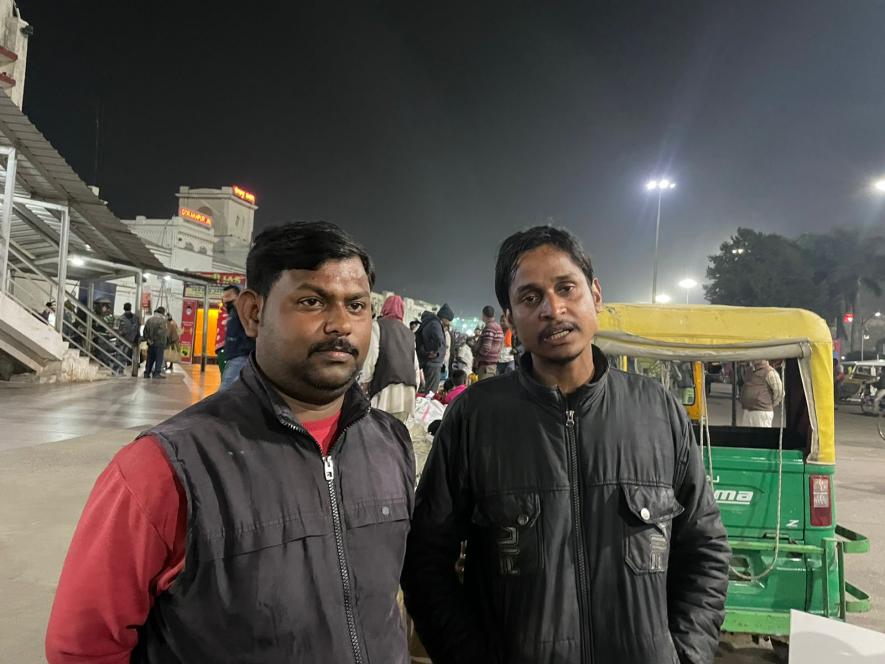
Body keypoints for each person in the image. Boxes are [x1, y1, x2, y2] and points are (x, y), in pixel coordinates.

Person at [45, 221, 415, 663]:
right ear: (253, 313)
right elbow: (85, 647)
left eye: (356, 306)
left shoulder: (389, 443)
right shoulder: (164, 466)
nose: (340, 324)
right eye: (312, 301)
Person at [402, 225, 730, 664]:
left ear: (595, 295)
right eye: (530, 297)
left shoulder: (657, 412)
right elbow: (425, 558)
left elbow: (704, 548)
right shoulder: (476, 419)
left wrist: (687, 654)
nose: (553, 309)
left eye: (566, 288)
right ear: (510, 319)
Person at [361, 294, 420, 421]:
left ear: (385, 308)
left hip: (385, 388)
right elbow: (415, 363)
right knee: (397, 431)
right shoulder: (409, 333)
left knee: (380, 428)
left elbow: (371, 357)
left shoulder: (377, 326)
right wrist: (415, 387)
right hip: (407, 391)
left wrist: (365, 381)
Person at [219, 284, 255, 390]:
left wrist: (245, 347)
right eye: (224, 296)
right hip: (234, 355)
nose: (226, 299)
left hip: (241, 355)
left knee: (225, 390)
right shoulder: (232, 312)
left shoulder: (242, 311)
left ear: (238, 296)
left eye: (229, 295)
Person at [416, 304, 454, 394]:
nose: (449, 323)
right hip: (433, 362)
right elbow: (439, 339)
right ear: (444, 317)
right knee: (431, 392)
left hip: (430, 361)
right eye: (448, 320)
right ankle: (428, 407)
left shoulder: (431, 322)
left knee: (429, 389)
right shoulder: (435, 323)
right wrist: (436, 352)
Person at [740, 359, 784, 427]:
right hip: (747, 411)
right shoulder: (750, 371)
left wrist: (769, 404)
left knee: (761, 435)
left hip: (762, 412)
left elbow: (780, 392)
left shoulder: (770, 372)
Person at [473, 304, 504, 380]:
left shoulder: (489, 327)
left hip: (485, 366)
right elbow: (500, 346)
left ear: (483, 315)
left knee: (483, 389)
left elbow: (486, 347)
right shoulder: (498, 327)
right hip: (493, 365)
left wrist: (477, 359)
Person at [141, 307, 168, 379]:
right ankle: (156, 373)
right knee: (159, 359)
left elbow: (145, 332)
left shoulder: (149, 320)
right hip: (159, 344)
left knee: (150, 358)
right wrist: (165, 343)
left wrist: (149, 340)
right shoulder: (162, 321)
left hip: (150, 343)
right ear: (162, 313)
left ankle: (147, 373)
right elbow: (163, 334)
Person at [116, 303, 140, 369]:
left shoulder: (121, 318)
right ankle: (119, 369)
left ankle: (118, 369)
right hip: (129, 340)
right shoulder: (135, 318)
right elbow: (137, 329)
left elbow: (117, 329)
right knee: (123, 355)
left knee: (121, 355)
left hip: (125, 340)